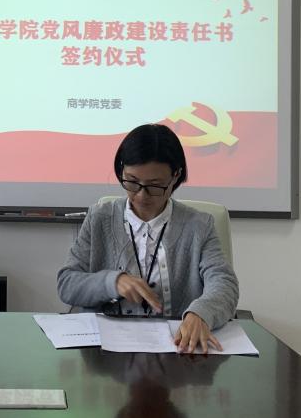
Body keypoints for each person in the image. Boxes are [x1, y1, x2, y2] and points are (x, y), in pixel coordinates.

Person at [57, 123, 240, 354]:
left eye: (155, 185)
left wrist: (201, 313)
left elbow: (224, 283)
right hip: (105, 354)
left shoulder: (199, 225)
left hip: (177, 351)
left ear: (175, 176)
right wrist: (113, 282)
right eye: (132, 181)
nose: (141, 195)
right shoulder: (99, 218)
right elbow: (67, 283)